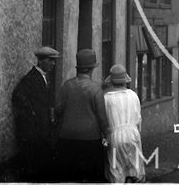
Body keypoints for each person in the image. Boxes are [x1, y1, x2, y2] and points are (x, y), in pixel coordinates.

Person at [56, 49, 110, 182]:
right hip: (90, 139)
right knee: (89, 177)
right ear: (92, 68)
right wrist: (107, 136)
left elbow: (58, 110)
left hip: (66, 137)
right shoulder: (96, 88)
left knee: (69, 176)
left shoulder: (66, 86)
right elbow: (102, 117)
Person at [12, 46, 60, 181]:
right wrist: (32, 114)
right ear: (41, 61)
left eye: (54, 61)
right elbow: (18, 95)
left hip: (43, 131)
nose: (53, 64)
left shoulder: (44, 77)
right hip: (35, 132)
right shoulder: (31, 78)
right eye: (50, 60)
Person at [103, 64, 145, 183]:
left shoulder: (107, 98)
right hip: (133, 135)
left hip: (115, 136)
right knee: (135, 170)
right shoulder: (133, 95)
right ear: (125, 81)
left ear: (111, 82)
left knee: (117, 171)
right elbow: (138, 119)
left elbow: (104, 121)